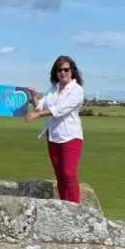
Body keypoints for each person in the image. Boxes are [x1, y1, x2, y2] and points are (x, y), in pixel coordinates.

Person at [25, 56, 85, 203]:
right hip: (53, 136)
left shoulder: (77, 90)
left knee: (69, 174)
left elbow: (60, 109)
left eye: (66, 69)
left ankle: (75, 209)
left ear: (72, 71)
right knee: (59, 175)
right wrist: (33, 95)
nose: (63, 72)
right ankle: (65, 205)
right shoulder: (52, 89)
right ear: (55, 72)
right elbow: (40, 106)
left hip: (71, 136)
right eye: (59, 70)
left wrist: (38, 114)